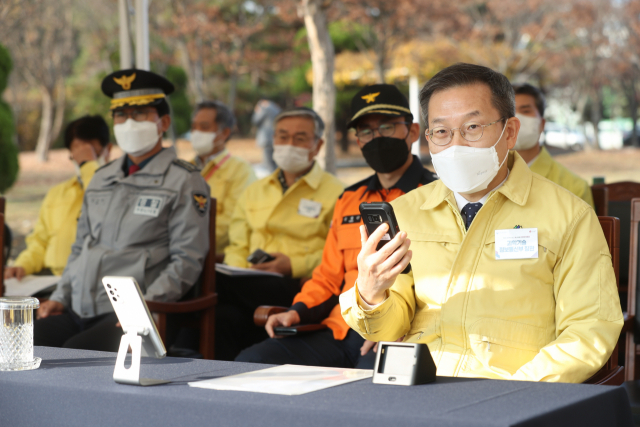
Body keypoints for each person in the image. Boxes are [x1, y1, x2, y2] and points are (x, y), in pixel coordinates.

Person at [341, 63, 623, 383]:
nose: (456, 144)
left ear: (510, 132)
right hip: (418, 389)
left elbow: (589, 329)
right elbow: (387, 329)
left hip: (517, 392)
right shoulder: (406, 211)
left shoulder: (569, 215)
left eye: (472, 127)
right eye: (442, 131)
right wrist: (370, 294)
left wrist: (517, 393)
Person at [236, 84, 437, 368]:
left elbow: (441, 282)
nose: (376, 137)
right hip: (339, 328)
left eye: (387, 127)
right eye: (366, 131)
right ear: (357, 141)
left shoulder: (438, 195)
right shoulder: (349, 198)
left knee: (369, 393)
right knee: (253, 362)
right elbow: (329, 276)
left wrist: (398, 325)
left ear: (412, 132)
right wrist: (298, 310)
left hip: (398, 332)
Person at [33, 69, 210, 352]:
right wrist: (60, 296)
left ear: (162, 122)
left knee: (77, 355)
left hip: (135, 312)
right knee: (19, 344)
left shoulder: (184, 180)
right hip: (80, 306)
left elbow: (186, 260)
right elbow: (80, 248)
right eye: (120, 115)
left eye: (139, 114)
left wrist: (144, 307)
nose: (128, 123)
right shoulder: (102, 178)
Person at [216, 107, 344, 360]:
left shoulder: (337, 192)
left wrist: (293, 264)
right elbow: (238, 245)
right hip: (247, 283)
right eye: (282, 137)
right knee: (222, 315)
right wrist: (238, 271)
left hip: (297, 285)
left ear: (316, 146)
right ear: (273, 140)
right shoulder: (255, 190)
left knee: (211, 285)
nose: (289, 144)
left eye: (299, 138)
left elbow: (339, 256)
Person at [5, 115, 111, 279]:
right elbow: (39, 242)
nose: (82, 158)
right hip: (53, 279)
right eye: (77, 151)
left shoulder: (116, 188)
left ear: (107, 149)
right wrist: (23, 265)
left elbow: (104, 204)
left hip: (95, 280)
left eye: (89, 150)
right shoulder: (57, 193)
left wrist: (89, 166)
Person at [512, 83, 594, 208]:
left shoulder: (574, 187)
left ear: (542, 124)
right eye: (510, 113)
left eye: (525, 111)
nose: (516, 119)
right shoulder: (484, 181)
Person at [190, 100, 256, 254]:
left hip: (214, 258)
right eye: (194, 127)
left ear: (225, 133)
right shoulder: (184, 167)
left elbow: (230, 224)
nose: (196, 132)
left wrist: (188, 242)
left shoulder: (241, 171)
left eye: (204, 127)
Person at [251, 99, 281, 173]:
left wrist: (257, 111)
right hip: (276, 138)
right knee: (275, 161)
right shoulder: (276, 108)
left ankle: (274, 178)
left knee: (268, 163)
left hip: (266, 138)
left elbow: (255, 120)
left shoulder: (265, 109)